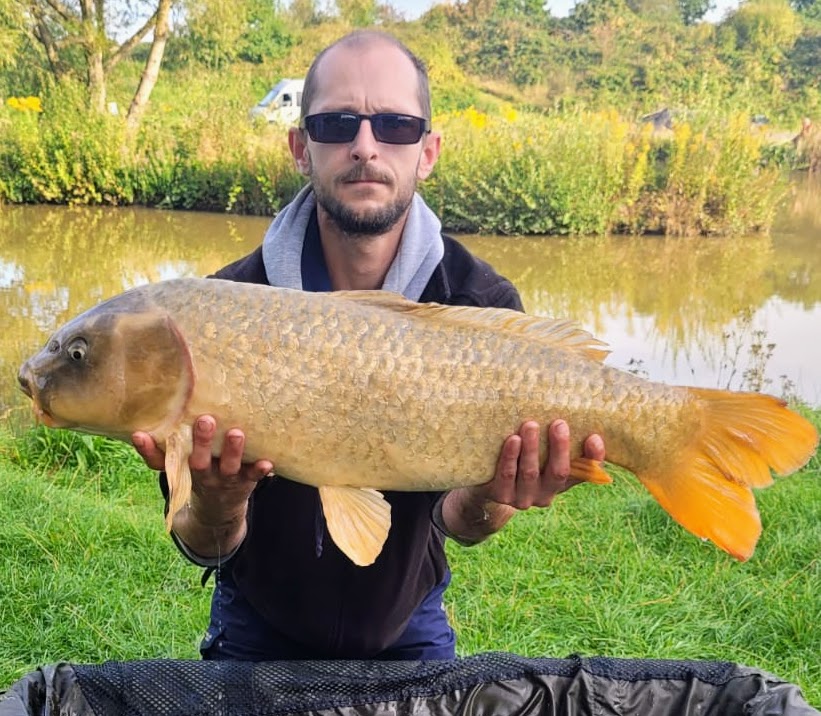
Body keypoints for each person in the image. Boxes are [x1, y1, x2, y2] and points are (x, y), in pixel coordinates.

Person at [132, 30, 606, 661]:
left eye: (395, 126)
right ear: (300, 147)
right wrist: (219, 505)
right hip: (257, 617)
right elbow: (201, 544)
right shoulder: (220, 311)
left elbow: (460, 525)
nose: (364, 146)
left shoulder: (477, 302)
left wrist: (494, 495)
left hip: (407, 620)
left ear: (429, 151)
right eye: (335, 124)